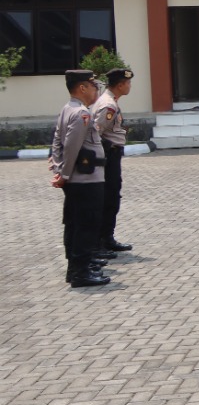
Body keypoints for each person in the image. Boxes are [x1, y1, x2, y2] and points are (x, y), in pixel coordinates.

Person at [49, 69, 109, 286]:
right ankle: (81, 273)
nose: (96, 90)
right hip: (86, 180)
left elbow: (57, 141)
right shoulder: (81, 113)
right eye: (93, 86)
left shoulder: (68, 109)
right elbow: (71, 147)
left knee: (75, 224)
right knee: (86, 225)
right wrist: (63, 174)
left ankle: (75, 269)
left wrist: (58, 168)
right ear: (82, 87)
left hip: (78, 179)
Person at [93, 67, 136, 253]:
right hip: (108, 154)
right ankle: (101, 241)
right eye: (128, 83)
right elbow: (94, 132)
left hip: (111, 153)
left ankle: (107, 238)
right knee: (109, 197)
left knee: (112, 195)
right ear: (120, 85)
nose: (130, 86)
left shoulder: (110, 101)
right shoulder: (108, 105)